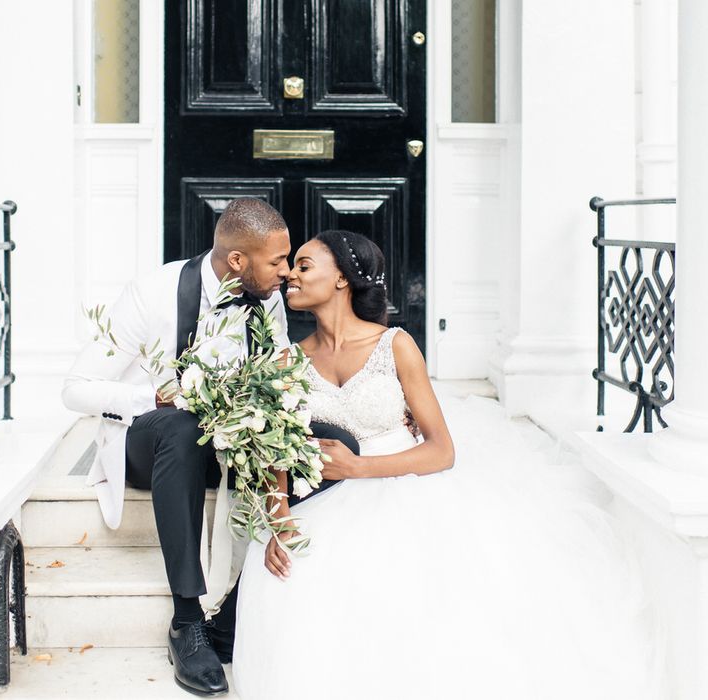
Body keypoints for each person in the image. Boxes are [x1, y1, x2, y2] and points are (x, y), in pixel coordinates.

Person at [232, 230, 666, 700]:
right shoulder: (285, 361)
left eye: (304, 265)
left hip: (405, 482)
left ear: (341, 278)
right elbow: (275, 449)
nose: (289, 276)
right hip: (324, 498)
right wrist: (278, 519)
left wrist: (359, 470)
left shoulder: (395, 345)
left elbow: (441, 450)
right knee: (300, 579)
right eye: (291, 267)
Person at [62, 200, 356, 696]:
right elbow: (76, 388)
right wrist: (151, 397)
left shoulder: (265, 297)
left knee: (334, 447)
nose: (286, 273)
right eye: (277, 262)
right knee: (179, 426)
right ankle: (186, 620)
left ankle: (233, 612)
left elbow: (279, 372)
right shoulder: (150, 293)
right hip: (154, 443)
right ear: (237, 260)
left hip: (232, 442)